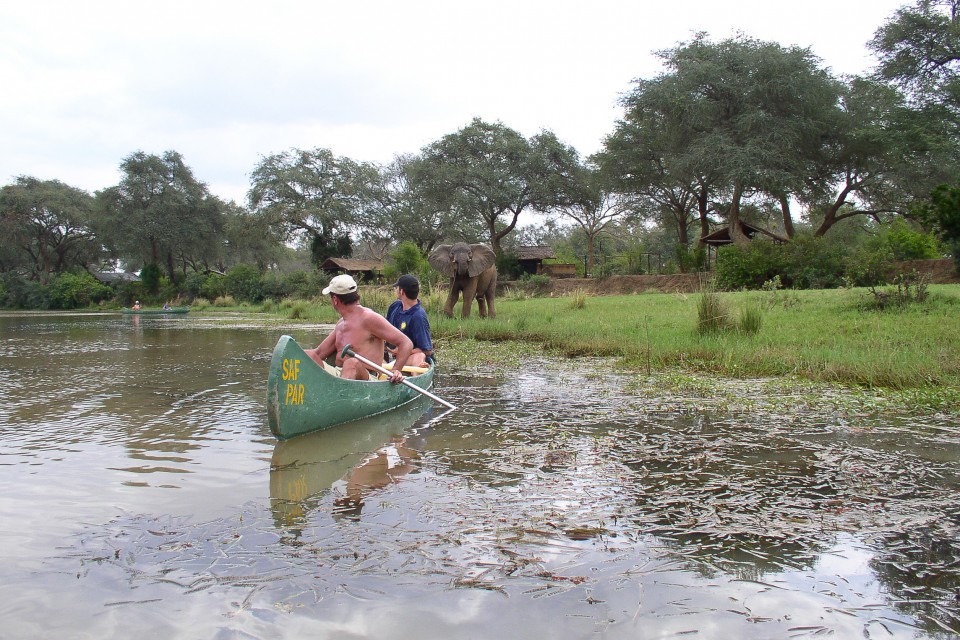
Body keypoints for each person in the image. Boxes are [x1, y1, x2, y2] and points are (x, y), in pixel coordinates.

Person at [304, 274, 413, 383]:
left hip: (365, 379)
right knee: (308, 355)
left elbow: (406, 342)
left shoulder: (369, 318)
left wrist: (396, 370)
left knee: (351, 363)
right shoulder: (341, 323)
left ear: (335, 299)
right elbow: (318, 353)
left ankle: (341, 396)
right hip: (337, 374)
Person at [386, 274, 433, 367]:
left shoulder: (418, 316)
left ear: (402, 291)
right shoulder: (395, 306)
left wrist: (401, 351)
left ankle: (418, 371)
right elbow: (384, 329)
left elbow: (427, 350)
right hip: (390, 357)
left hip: (409, 359)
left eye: (397, 288)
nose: (395, 290)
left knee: (419, 356)